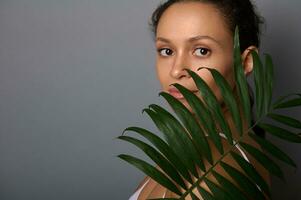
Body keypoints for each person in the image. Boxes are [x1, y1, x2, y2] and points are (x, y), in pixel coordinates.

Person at [129, 0, 270, 199]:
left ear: (245, 61)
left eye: (201, 51)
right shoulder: (215, 148)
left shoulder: (204, 177)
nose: (177, 70)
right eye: (166, 51)